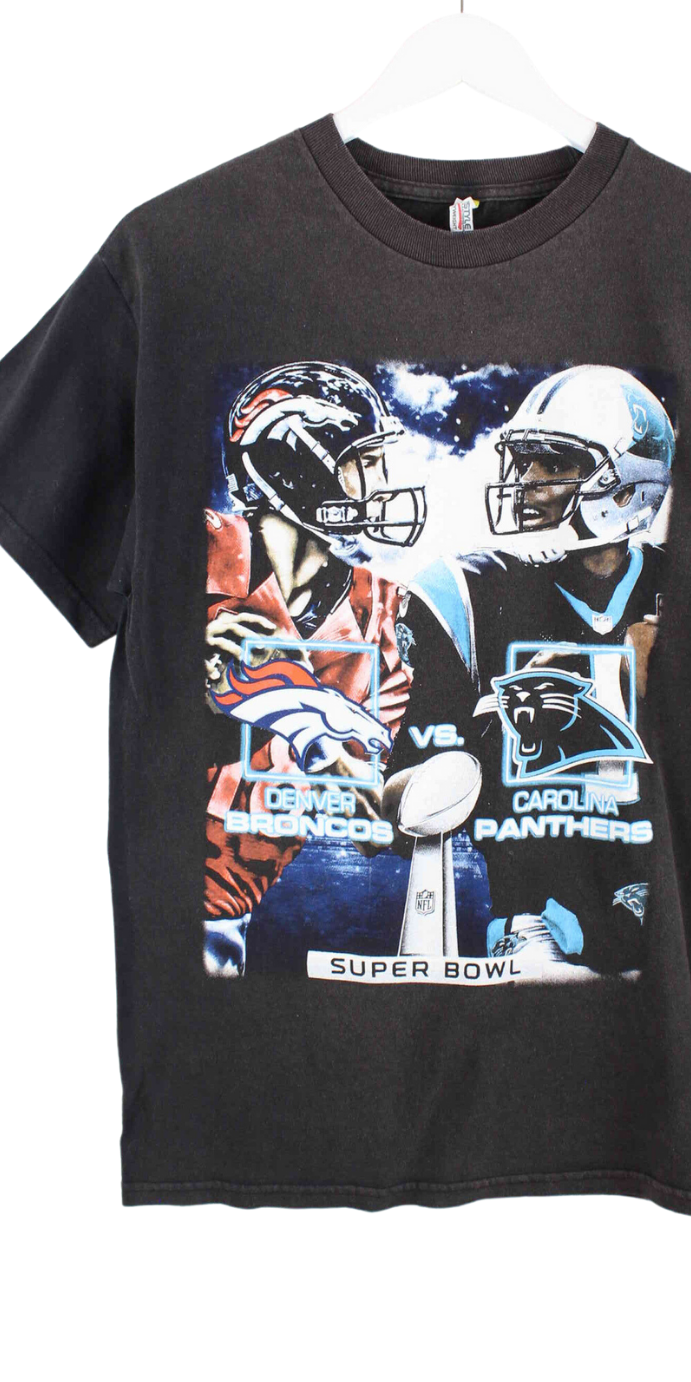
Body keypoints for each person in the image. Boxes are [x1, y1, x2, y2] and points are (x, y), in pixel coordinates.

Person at [387, 365, 676, 975]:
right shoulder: (468, 594)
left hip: (670, 910)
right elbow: (393, 797)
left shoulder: (684, 591)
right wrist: (438, 779)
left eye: (553, 464)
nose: (526, 483)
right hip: (536, 926)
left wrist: (675, 681)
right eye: (523, 462)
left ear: (628, 486)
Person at [203, 362, 425, 976]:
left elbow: (367, 820)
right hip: (171, 887)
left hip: (230, 910)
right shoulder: (202, 548)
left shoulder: (381, 611)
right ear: (294, 464)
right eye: (364, 461)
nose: (381, 484)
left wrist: (394, 794)